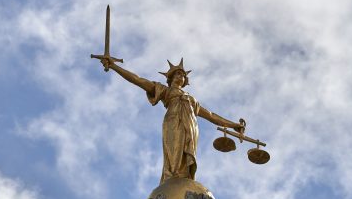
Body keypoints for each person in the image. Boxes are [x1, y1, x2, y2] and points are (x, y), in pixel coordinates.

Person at [100, 58, 246, 183]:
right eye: (178, 73)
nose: (181, 76)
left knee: (186, 155)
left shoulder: (192, 100)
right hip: (173, 122)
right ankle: (172, 179)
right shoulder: (165, 90)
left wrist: (234, 125)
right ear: (170, 78)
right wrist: (114, 66)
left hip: (191, 126)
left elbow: (211, 115)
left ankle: (184, 179)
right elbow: (138, 80)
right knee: (174, 153)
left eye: (183, 74)